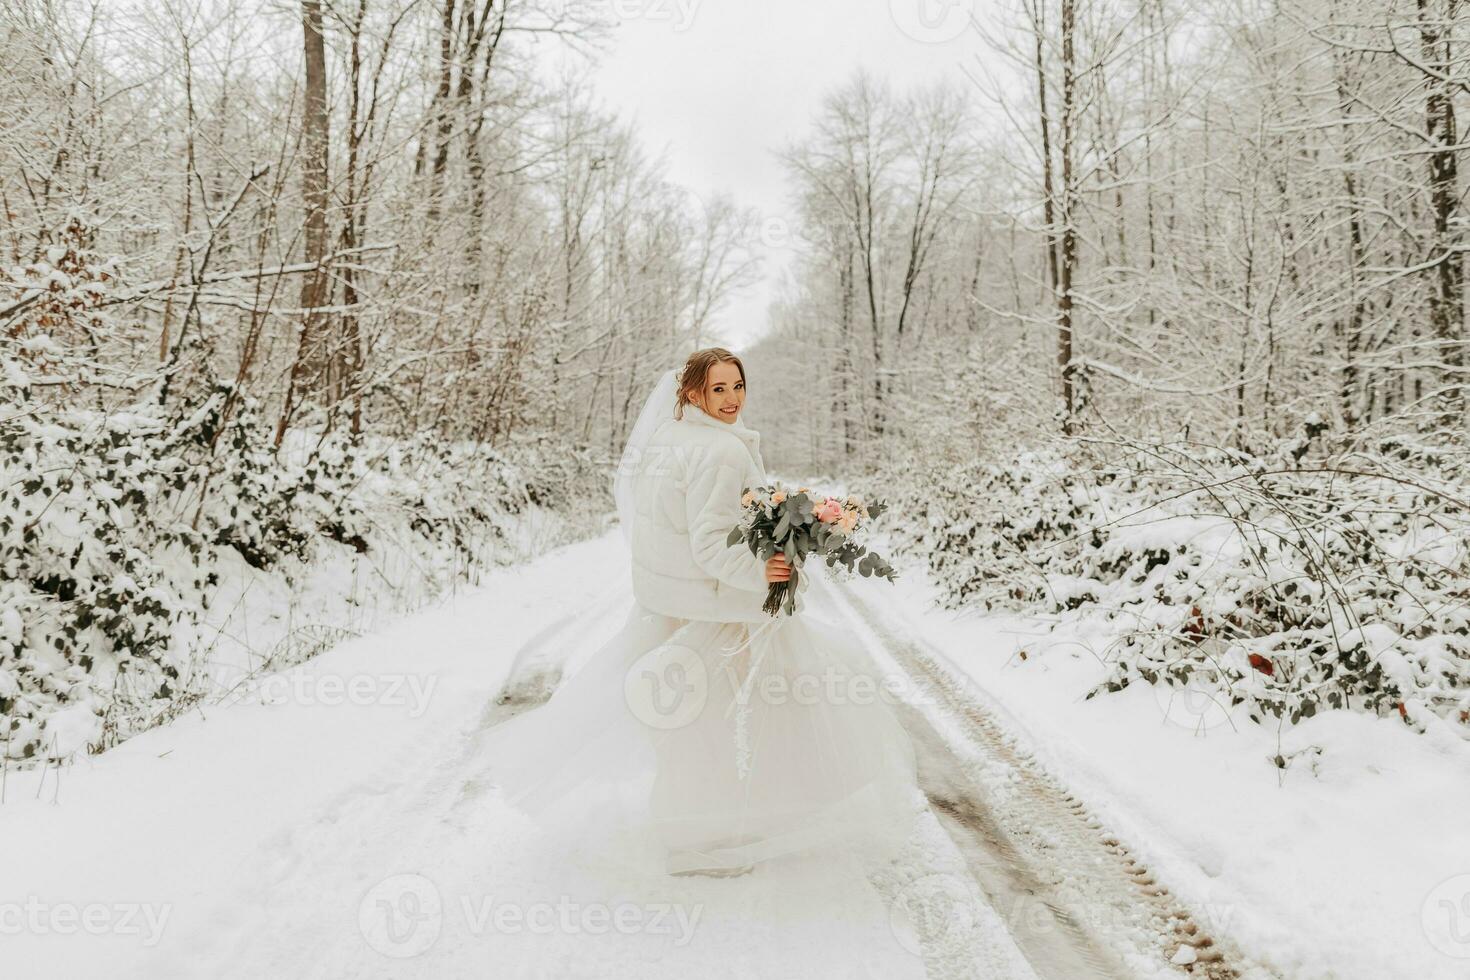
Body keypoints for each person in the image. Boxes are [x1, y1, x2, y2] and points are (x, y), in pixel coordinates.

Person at [485, 347, 922, 878]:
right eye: (718, 389)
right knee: (731, 725)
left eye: (738, 386)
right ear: (692, 393)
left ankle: (698, 831)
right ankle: (705, 841)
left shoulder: (668, 443)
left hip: (674, 609)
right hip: (720, 617)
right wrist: (768, 570)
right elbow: (711, 547)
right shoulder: (720, 452)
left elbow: (671, 531)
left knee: (689, 729)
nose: (732, 399)